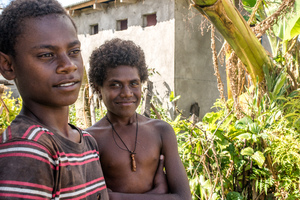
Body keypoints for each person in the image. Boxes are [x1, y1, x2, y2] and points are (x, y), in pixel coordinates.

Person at [0, 0, 109, 199]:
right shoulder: (28, 148)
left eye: (74, 52)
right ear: (8, 65)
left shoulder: (87, 142)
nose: (68, 65)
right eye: (47, 55)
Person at [86, 38, 192, 200]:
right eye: (115, 84)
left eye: (134, 83)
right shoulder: (90, 139)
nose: (127, 93)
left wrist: (116, 197)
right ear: (98, 89)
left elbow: (183, 197)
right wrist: (158, 194)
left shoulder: (161, 131)